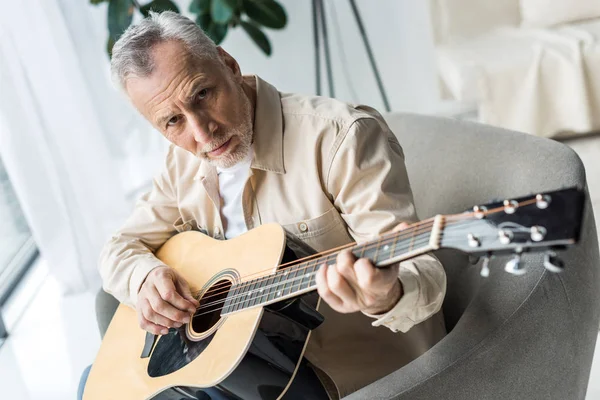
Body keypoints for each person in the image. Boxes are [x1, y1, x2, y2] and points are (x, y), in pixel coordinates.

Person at [83, 11, 447, 400]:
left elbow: (420, 271)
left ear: (229, 64)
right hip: (242, 363)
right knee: (97, 384)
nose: (202, 132)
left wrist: (386, 294)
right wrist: (145, 278)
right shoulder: (182, 163)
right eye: (173, 121)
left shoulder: (342, 139)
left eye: (203, 94)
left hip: (343, 373)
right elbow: (119, 248)